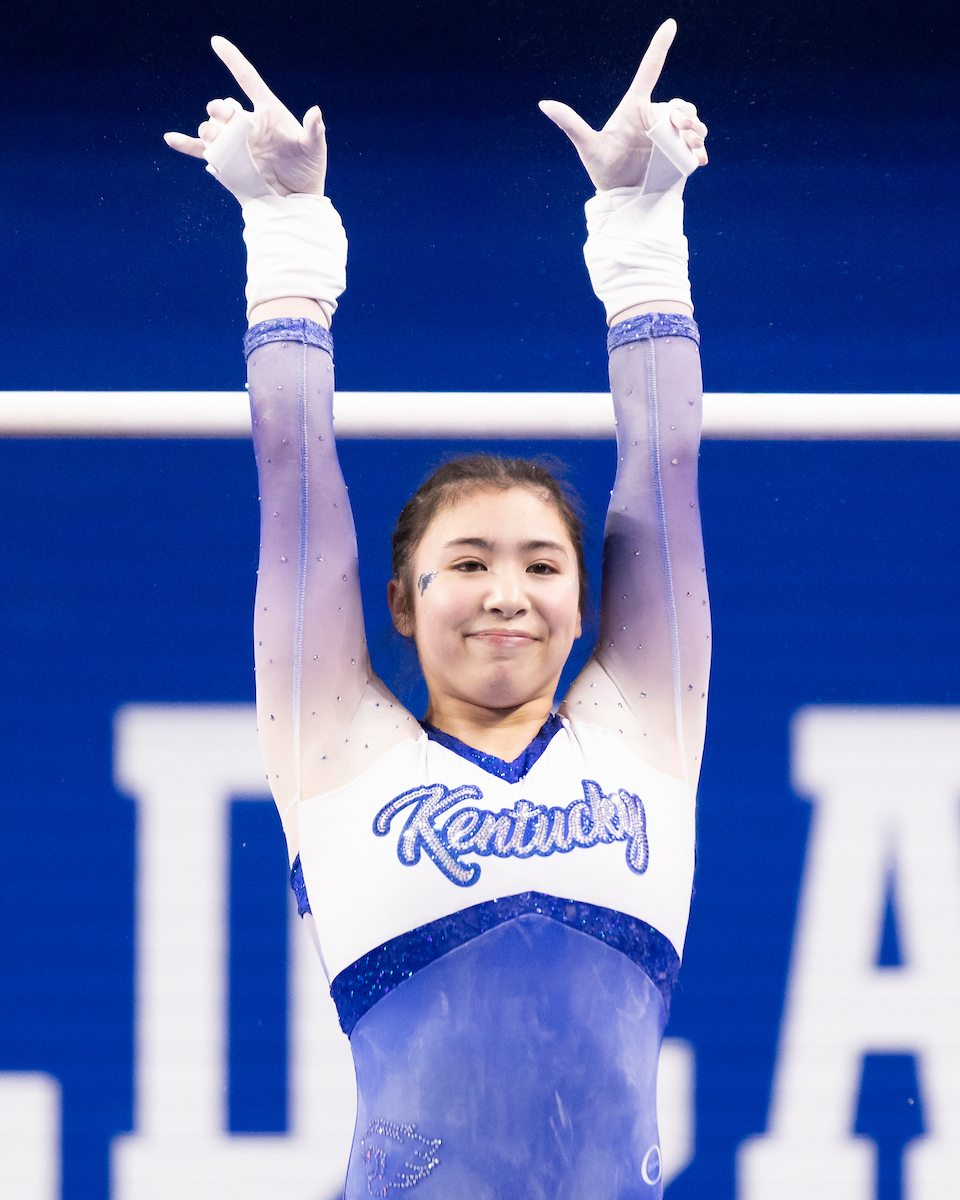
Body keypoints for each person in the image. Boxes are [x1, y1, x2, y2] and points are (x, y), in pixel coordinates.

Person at [166, 18, 709, 1197]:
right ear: (401, 604)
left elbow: (663, 472)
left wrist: (641, 235)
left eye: (543, 566)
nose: (506, 594)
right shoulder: (338, 750)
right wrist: (286, 237)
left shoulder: (641, 729)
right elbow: (294, 482)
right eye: (466, 564)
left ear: (587, 603)